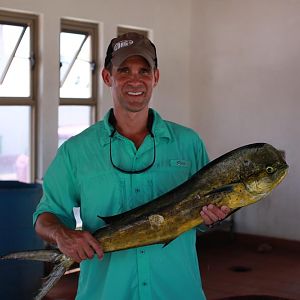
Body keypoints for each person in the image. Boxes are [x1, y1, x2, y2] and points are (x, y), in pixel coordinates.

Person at [33, 32, 230, 300]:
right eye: (124, 70)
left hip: (177, 291)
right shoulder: (75, 151)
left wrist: (214, 218)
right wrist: (61, 234)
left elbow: (203, 218)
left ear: (155, 77)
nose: (134, 79)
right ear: (107, 77)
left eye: (144, 70)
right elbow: (46, 216)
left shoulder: (188, 143)